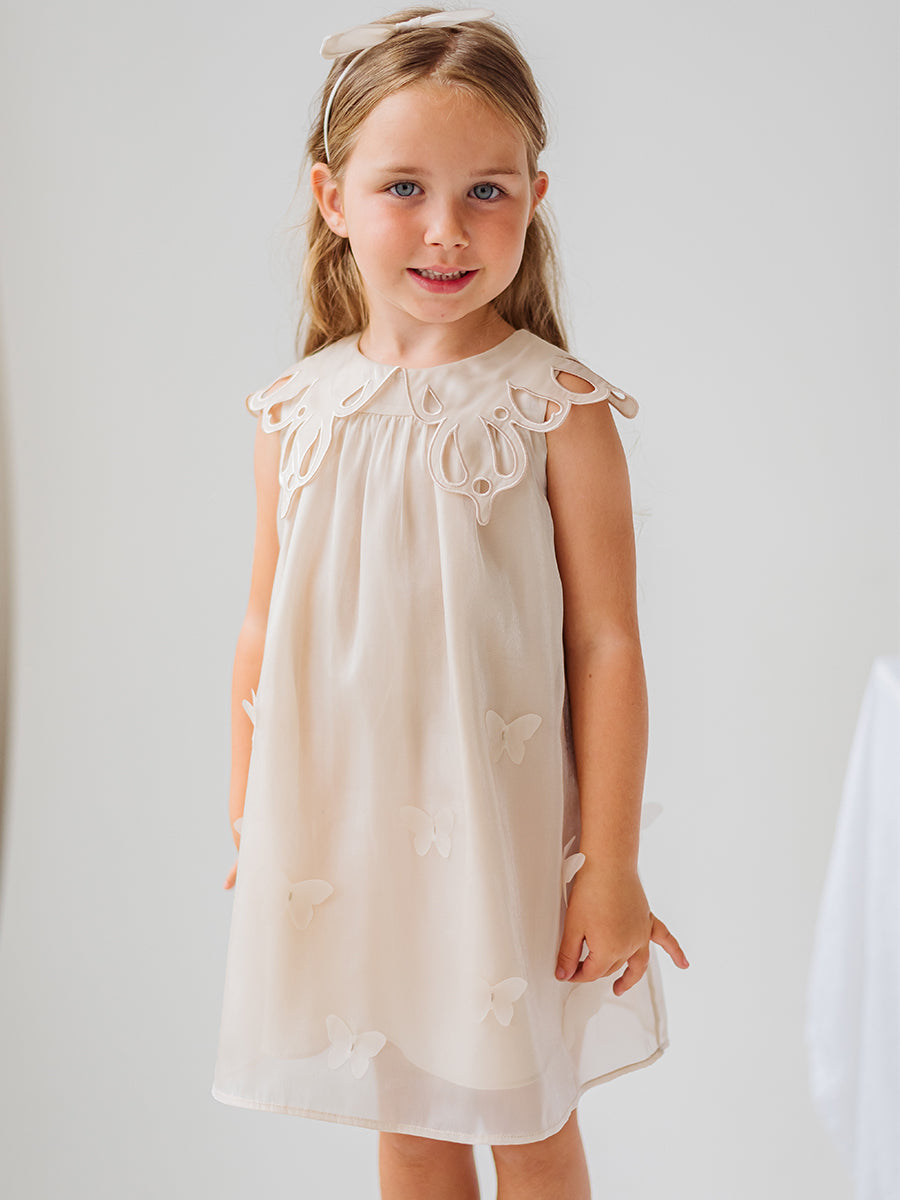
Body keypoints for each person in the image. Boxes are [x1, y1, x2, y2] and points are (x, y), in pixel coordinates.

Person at [210, 7, 690, 1198]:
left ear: (535, 195)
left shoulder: (557, 407)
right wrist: (251, 816)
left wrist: (611, 862)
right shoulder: (294, 411)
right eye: (404, 188)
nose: (446, 228)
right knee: (408, 1116)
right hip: (351, 831)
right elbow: (264, 627)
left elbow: (608, 642)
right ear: (331, 197)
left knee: (525, 1116)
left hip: (500, 832)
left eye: (486, 191)